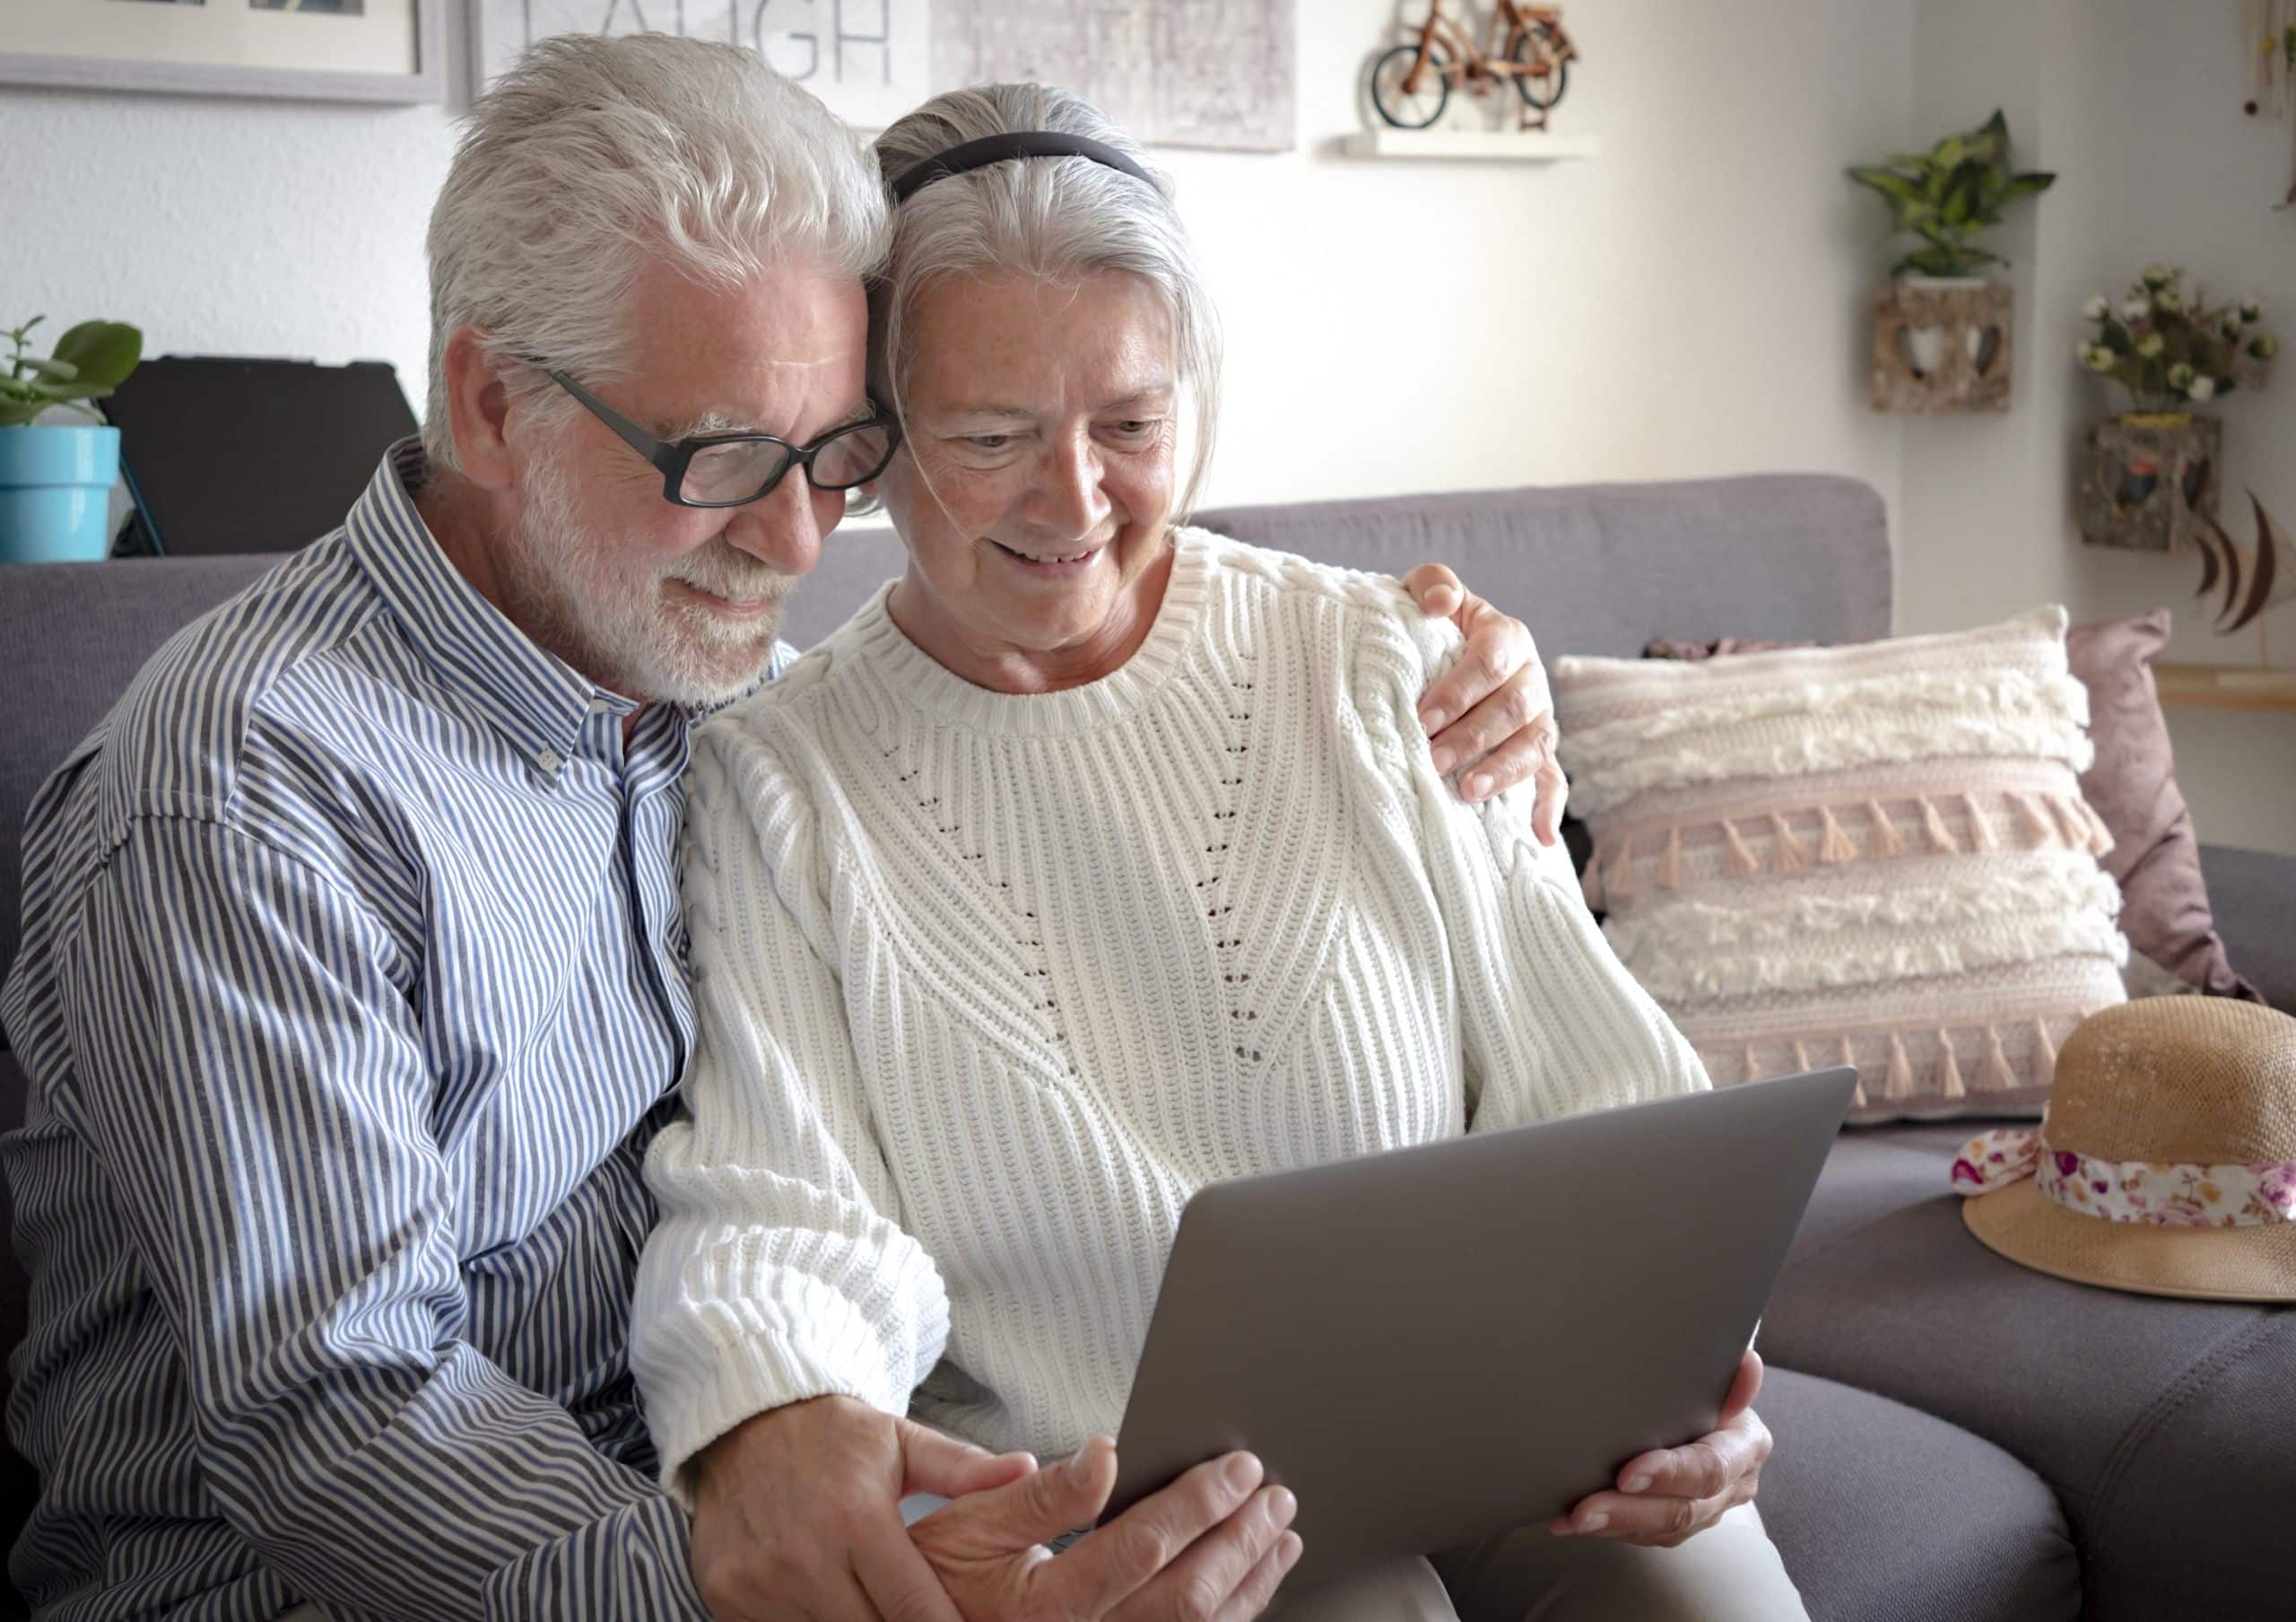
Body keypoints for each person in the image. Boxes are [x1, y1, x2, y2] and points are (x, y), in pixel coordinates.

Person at [0, 36, 1566, 1622]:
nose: (799, 537)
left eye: (839, 459)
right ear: (488, 402)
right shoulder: (239, 800)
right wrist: (807, 1579)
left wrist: (1467, 689)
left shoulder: (705, 674)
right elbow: (334, 1427)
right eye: (729, 457)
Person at [632, 81, 1808, 1622]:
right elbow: (782, 1196)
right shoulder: (780, 779)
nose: (1077, 501)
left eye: (1131, 424)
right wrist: (775, 1411)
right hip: (1146, 1521)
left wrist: (1694, 1383)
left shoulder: (1380, 660)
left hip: (1515, 1438)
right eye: (993, 436)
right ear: (873, 439)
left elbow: (1603, 1086)